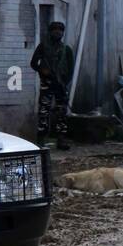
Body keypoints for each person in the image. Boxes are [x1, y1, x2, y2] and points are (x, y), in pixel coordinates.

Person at [30, 21, 74, 150]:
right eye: (55, 29)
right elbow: (33, 63)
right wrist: (42, 71)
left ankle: (61, 140)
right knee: (44, 111)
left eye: (60, 30)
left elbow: (71, 69)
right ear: (50, 32)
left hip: (61, 86)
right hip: (47, 84)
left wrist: (64, 83)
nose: (58, 32)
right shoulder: (43, 47)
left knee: (62, 112)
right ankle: (41, 139)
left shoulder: (67, 50)